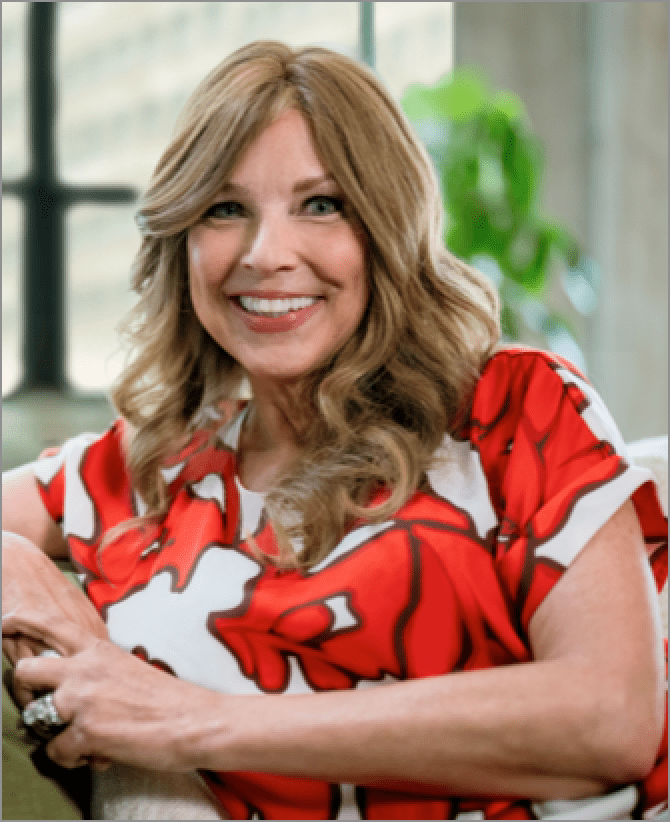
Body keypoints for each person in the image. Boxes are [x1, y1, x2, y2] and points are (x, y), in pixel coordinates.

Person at [2, 40, 667, 821]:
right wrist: (17, 568)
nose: (265, 254)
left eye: (322, 204)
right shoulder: (149, 466)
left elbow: (610, 717)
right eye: (224, 207)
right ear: (182, 238)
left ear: (388, 226)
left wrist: (188, 721)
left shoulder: (514, 408)